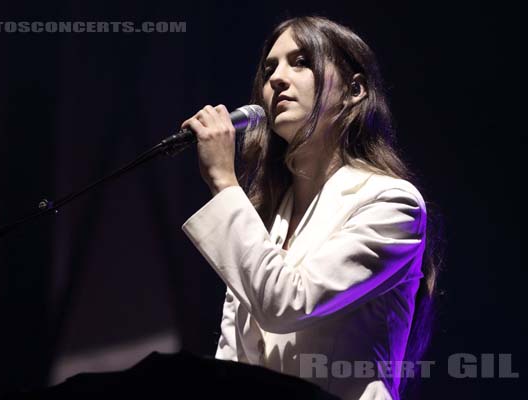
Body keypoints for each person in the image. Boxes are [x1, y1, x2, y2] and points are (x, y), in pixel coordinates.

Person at [180, 15, 440, 400]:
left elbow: (287, 303)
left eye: (300, 62)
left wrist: (223, 180)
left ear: (354, 90)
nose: (276, 79)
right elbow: (232, 359)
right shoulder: (267, 220)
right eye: (270, 68)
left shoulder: (392, 204)